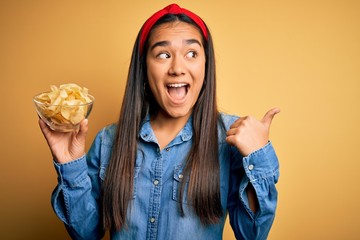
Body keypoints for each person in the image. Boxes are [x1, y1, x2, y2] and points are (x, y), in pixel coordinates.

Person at [39, 3, 280, 240]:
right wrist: (70, 165)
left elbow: (252, 235)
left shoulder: (230, 138)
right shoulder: (108, 141)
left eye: (192, 54)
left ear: (206, 65)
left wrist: (258, 158)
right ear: (144, 68)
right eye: (163, 55)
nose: (177, 68)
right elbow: (86, 233)